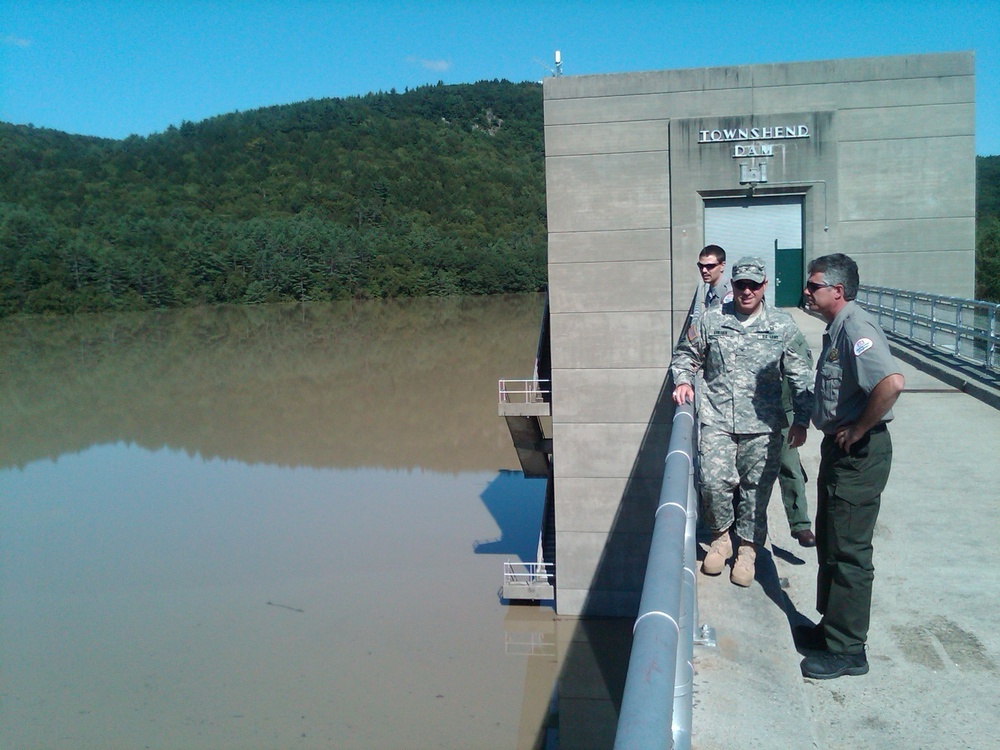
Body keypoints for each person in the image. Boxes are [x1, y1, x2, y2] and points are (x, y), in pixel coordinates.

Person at [671, 256, 814, 587]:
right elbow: (686, 355)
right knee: (712, 482)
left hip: (764, 427)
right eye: (740, 285)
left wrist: (802, 421)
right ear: (732, 286)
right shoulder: (711, 320)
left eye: (753, 285)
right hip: (718, 419)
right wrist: (682, 379)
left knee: (755, 492)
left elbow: (801, 376)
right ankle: (721, 539)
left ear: (764, 286)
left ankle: (747, 550)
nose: (746, 291)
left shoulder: (782, 326)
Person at [795, 253, 905, 680]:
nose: (808, 291)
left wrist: (859, 429)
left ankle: (848, 650)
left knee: (850, 553)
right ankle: (832, 629)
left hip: (859, 455)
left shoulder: (856, 327)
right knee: (831, 541)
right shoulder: (837, 328)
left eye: (813, 285)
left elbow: (891, 383)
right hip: (840, 453)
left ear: (836, 291)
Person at [777, 354, 817, 548]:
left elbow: (803, 372)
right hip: (745, 413)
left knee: (790, 467)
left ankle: (800, 523)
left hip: (782, 411)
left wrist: (801, 421)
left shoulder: (787, 330)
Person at [679, 244, 732, 346]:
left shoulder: (729, 292)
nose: (704, 270)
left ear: (722, 266)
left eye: (710, 266)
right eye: (701, 266)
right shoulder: (710, 291)